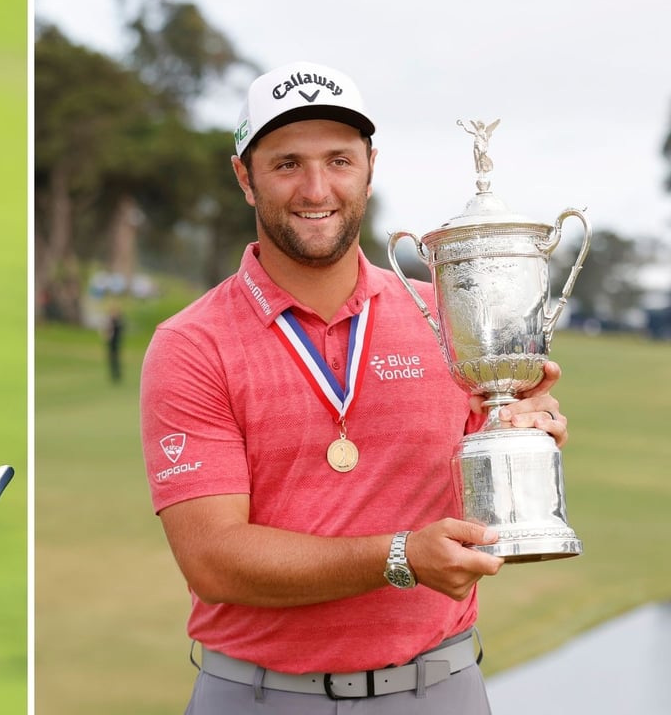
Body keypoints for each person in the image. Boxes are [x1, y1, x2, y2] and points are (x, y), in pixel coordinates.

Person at [138, 61, 571, 714]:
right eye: (287, 164)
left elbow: (486, 493)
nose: (317, 188)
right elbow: (215, 559)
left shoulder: (451, 321)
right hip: (261, 696)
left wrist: (521, 436)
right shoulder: (192, 343)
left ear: (370, 165)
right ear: (244, 177)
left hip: (440, 686)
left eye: (339, 160)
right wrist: (400, 555)